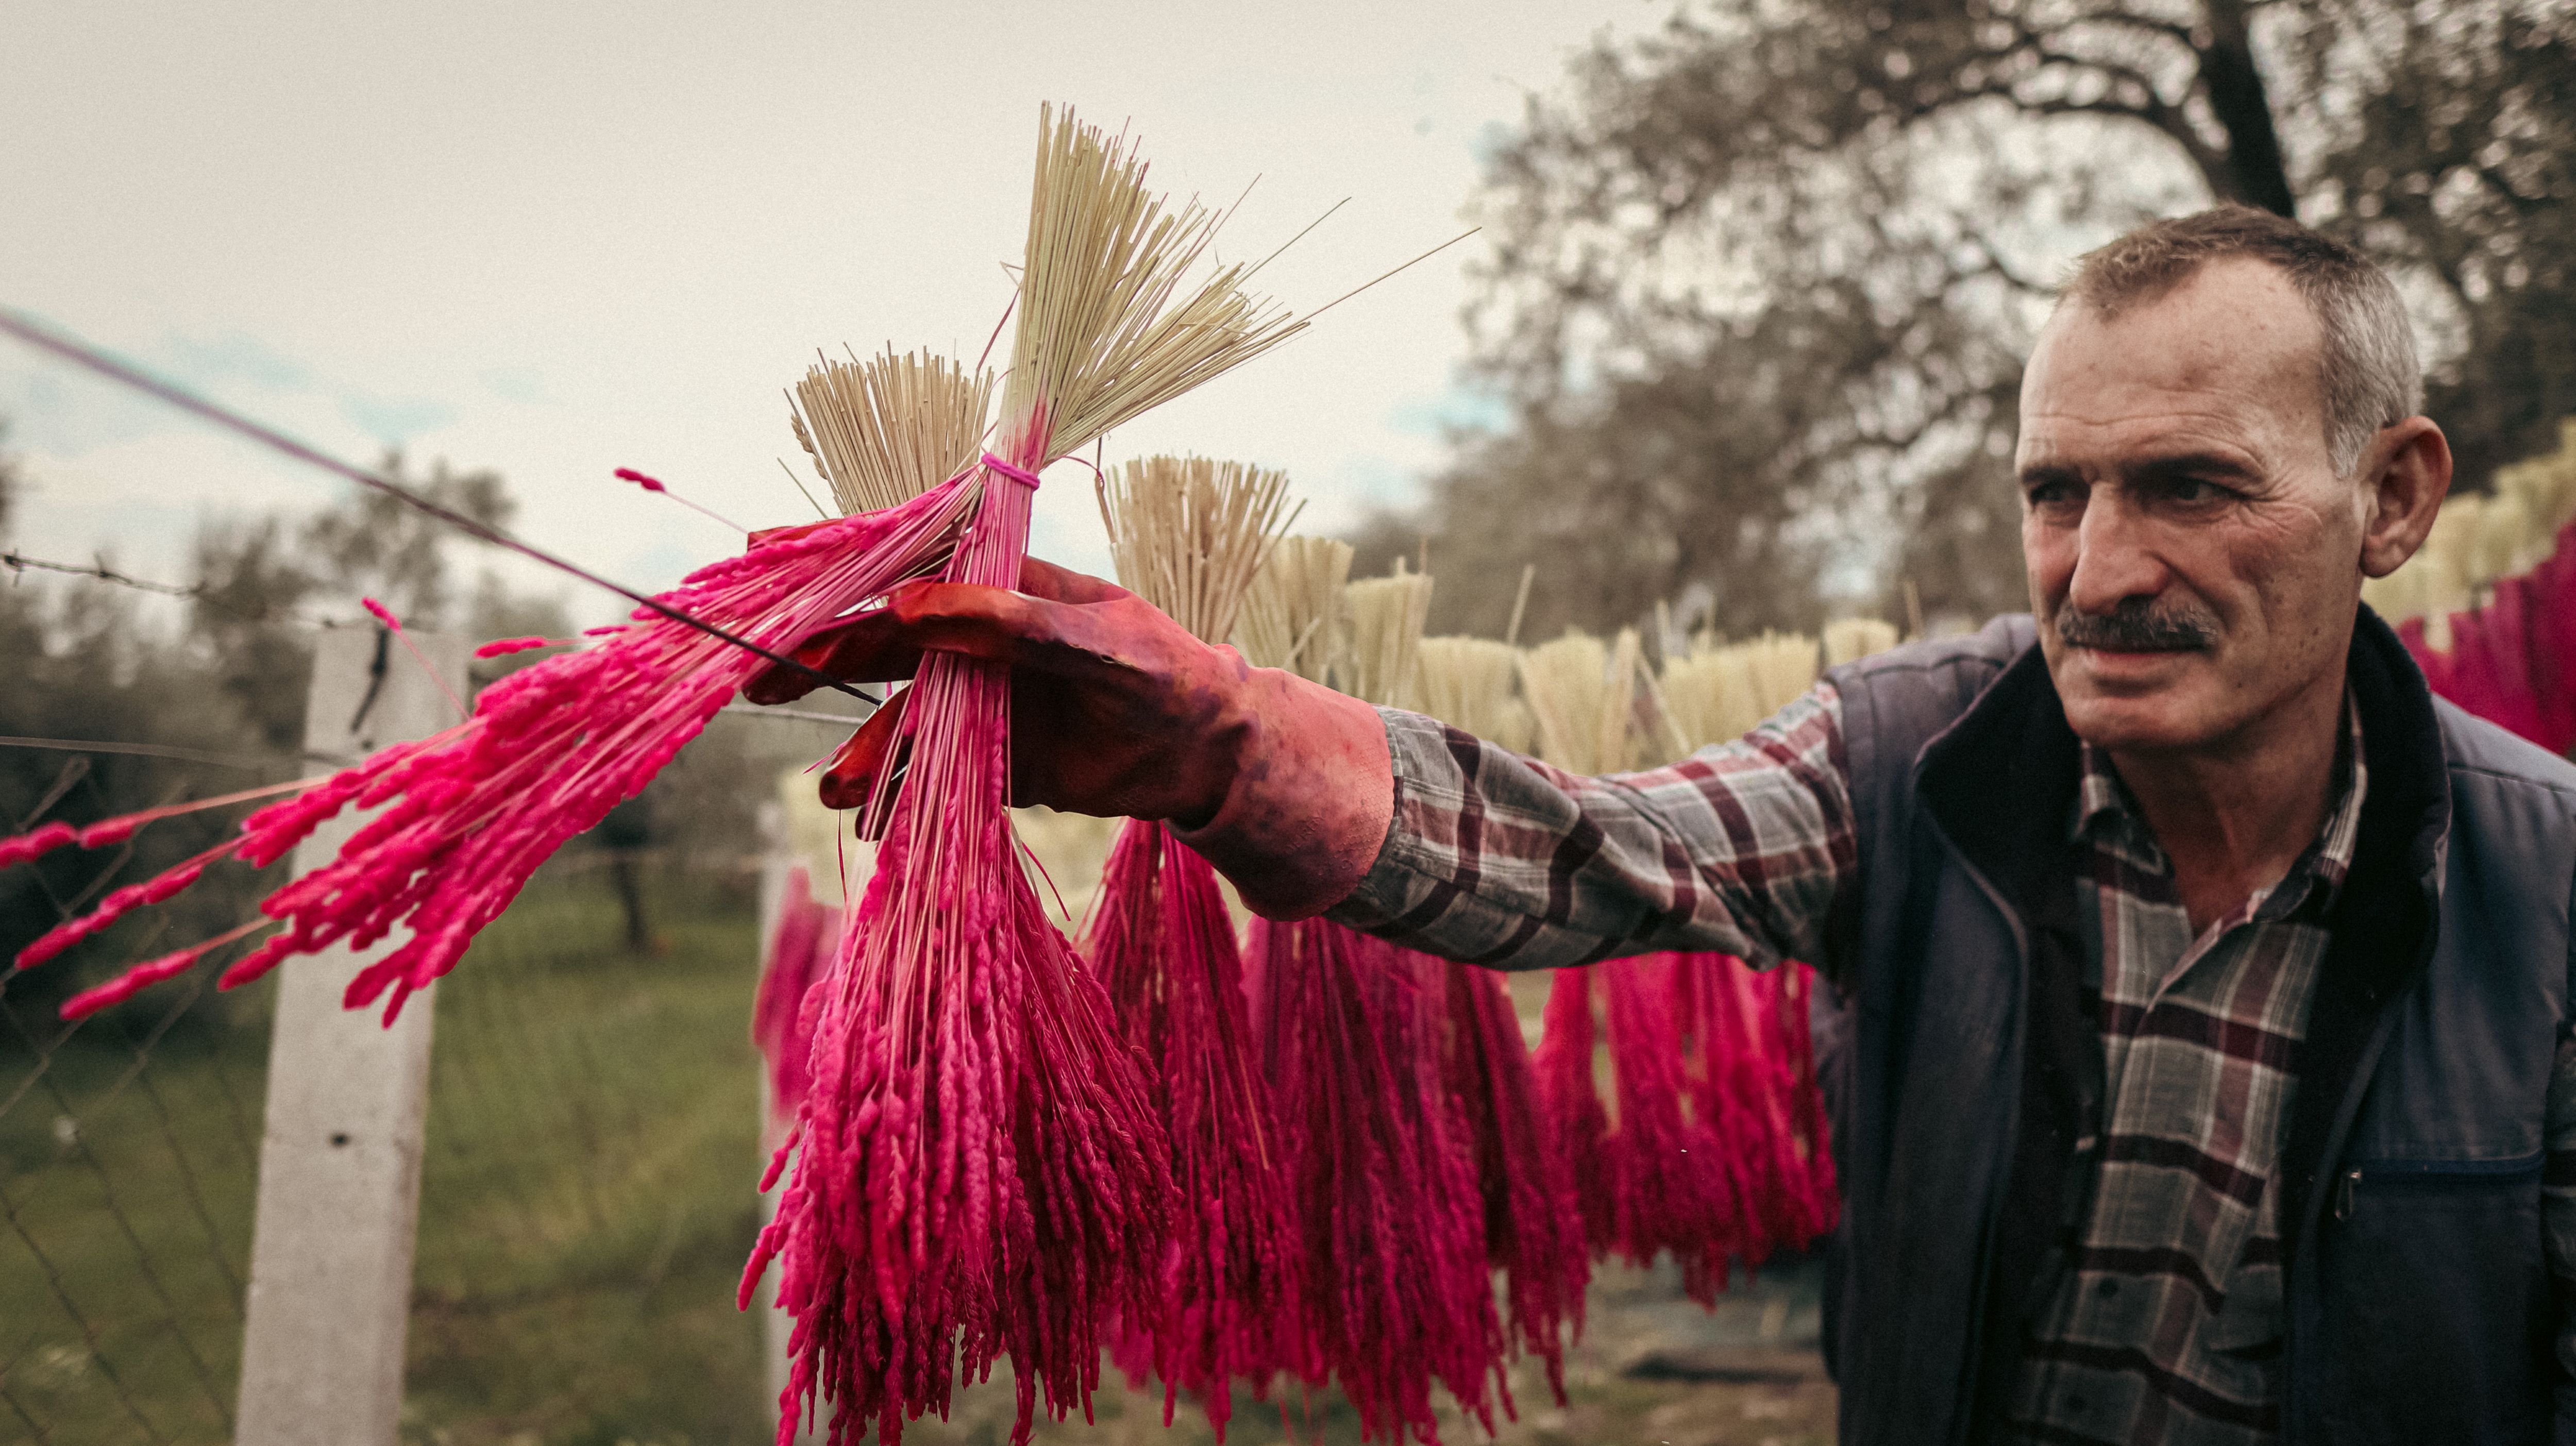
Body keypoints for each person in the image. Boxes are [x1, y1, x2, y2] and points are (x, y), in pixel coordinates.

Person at [747, 207, 2576, 1444]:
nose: (2098, 572)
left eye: (2191, 488)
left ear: (2394, 497)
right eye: (2056, 493)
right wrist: (1223, 744)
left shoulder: (2552, 892)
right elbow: (1589, 852)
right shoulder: (1916, 757)